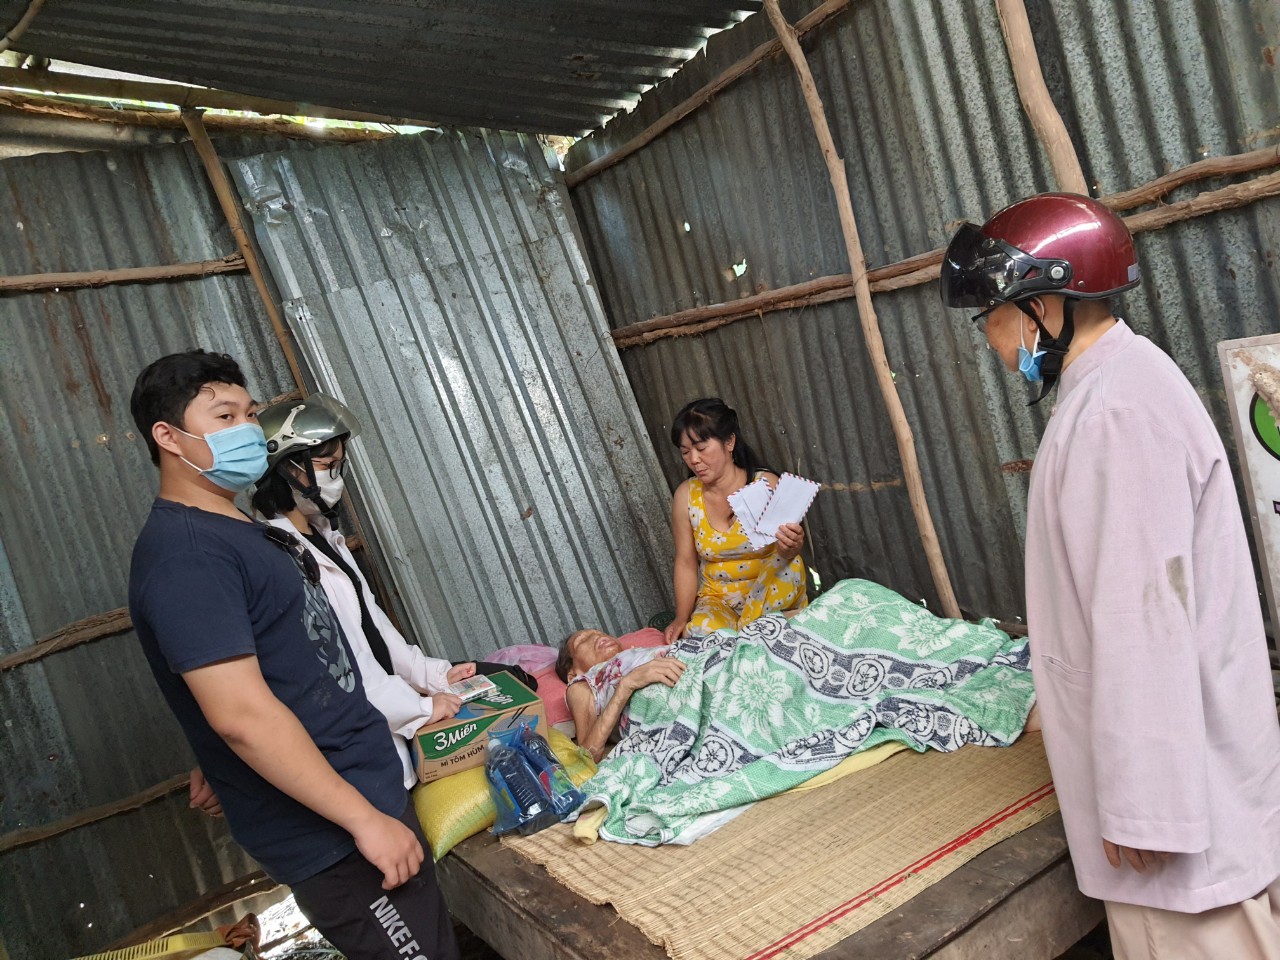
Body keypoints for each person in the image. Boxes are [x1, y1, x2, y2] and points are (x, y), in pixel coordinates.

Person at [942, 193, 1280, 959]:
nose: (990, 338)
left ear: (1041, 308)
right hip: (1197, 793)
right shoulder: (1120, 384)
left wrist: (1143, 805)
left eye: (990, 317)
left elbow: (1140, 614)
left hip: (1179, 838)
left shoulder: (1114, 412)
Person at [128, 351, 459, 960]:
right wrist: (362, 821)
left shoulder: (239, 531)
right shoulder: (187, 556)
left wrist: (215, 753)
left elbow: (275, 664)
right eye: (224, 416)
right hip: (333, 833)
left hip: (363, 793)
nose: (247, 429)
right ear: (168, 437)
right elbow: (242, 716)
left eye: (249, 413)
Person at [250, 393, 534, 790]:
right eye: (327, 466)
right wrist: (419, 708)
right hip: (357, 752)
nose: (336, 477)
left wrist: (437, 675)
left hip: (386, 730)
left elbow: (375, 631)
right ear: (287, 469)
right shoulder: (281, 556)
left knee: (514, 679)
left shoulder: (323, 537)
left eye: (339, 465)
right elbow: (346, 666)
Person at [663, 398, 807, 643]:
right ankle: (761, 632)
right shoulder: (686, 496)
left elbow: (788, 550)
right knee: (698, 633)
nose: (694, 459)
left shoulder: (765, 485)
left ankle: (750, 632)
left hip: (771, 587)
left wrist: (791, 546)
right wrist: (681, 618)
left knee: (781, 577)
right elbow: (686, 561)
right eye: (685, 452)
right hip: (719, 596)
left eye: (701, 448)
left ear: (729, 442)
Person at [554, 628, 685, 761]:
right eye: (582, 640)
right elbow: (588, 755)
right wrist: (626, 684)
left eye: (601, 633)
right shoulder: (581, 683)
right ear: (572, 674)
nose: (597, 636)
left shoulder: (638, 652)